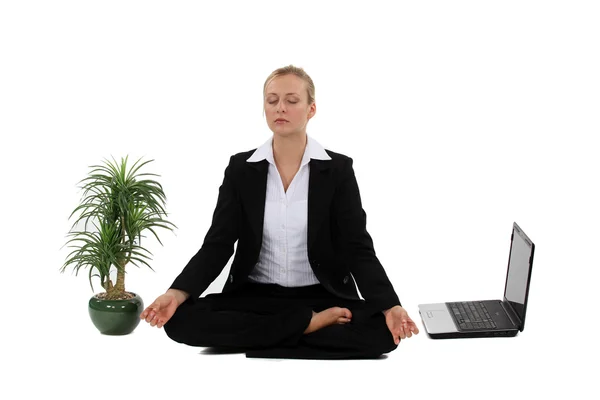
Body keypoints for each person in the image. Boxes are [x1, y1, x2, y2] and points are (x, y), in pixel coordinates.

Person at [140, 65, 419, 359]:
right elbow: (218, 245)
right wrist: (176, 293)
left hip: (321, 296)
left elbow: (357, 247)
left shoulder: (337, 170)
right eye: (272, 101)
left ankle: (268, 334)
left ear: (311, 109)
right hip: (256, 297)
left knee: (382, 336)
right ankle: (308, 327)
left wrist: (391, 306)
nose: (280, 108)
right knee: (180, 322)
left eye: (292, 100)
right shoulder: (241, 169)